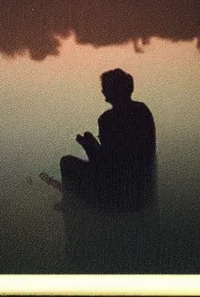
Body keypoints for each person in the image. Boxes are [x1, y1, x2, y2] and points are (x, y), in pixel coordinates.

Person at [60, 68, 156, 209]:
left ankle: (72, 206)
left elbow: (106, 166)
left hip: (116, 195)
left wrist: (89, 145)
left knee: (66, 162)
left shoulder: (108, 119)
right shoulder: (143, 111)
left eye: (105, 87)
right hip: (142, 193)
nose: (102, 91)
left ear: (114, 90)